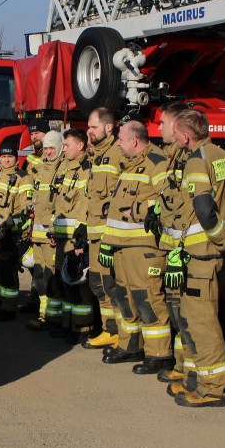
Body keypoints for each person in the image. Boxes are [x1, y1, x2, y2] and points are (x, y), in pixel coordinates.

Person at [158, 109, 225, 406]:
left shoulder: (196, 159)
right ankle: (196, 380)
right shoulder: (224, 156)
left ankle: (214, 389)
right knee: (196, 321)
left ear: (185, 135)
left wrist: (224, 240)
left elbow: (204, 208)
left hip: (200, 253)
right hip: (211, 253)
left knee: (201, 323)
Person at [99, 121, 171, 373]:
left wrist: (142, 210)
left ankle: (159, 353)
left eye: (120, 138)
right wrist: (107, 243)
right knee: (125, 298)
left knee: (147, 299)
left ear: (135, 141)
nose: (117, 143)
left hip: (144, 248)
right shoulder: (129, 165)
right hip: (121, 248)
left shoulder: (157, 162)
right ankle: (130, 346)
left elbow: (169, 200)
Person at [155, 101, 193, 382]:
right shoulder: (171, 156)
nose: (158, 128)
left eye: (162, 123)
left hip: (187, 250)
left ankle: (190, 369)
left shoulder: (194, 159)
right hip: (172, 247)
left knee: (187, 314)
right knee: (176, 310)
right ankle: (182, 365)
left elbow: (191, 210)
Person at [83, 107, 124, 350]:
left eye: (93, 126)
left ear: (109, 128)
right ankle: (109, 329)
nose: (89, 131)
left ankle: (119, 332)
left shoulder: (117, 153)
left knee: (112, 285)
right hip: (94, 233)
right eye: (88, 127)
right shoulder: (97, 156)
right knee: (98, 284)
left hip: (111, 235)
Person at [50, 128, 95, 343]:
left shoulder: (87, 170)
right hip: (61, 238)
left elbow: (84, 207)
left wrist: (80, 241)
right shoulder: (66, 168)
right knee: (64, 283)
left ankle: (83, 328)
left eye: (67, 145)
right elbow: (59, 203)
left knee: (79, 286)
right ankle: (69, 325)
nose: (64, 149)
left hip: (74, 240)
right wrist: (53, 231)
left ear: (81, 146)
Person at [0, 145, 34, 322]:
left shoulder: (23, 178)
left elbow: (25, 209)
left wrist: (10, 226)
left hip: (8, 234)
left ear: (16, 158)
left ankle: (8, 308)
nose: (6, 160)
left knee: (6, 270)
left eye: (10, 156)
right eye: (3, 157)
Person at [26, 130, 65, 331]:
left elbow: (61, 204)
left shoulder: (63, 169)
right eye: (47, 148)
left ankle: (54, 318)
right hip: (37, 233)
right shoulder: (40, 168)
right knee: (40, 275)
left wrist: (54, 232)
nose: (49, 151)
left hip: (51, 234)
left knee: (52, 276)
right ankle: (44, 314)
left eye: (52, 148)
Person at [19, 118, 50, 314]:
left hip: (46, 216)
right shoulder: (30, 158)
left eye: (38, 133)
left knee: (45, 263)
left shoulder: (53, 155)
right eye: (32, 134)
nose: (34, 136)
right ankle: (35, 298)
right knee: (33, 260)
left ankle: (44, 302)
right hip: (32, 215)